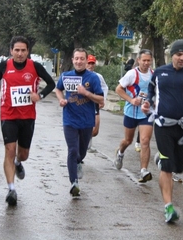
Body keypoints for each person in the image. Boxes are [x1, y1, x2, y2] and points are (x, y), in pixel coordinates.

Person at [141, 39, 183, 223]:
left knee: (178, 167)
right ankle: (168, 207)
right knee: (168, 166)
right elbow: (150, 93)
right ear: (172, 55)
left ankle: (162, 159)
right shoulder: (160, 72)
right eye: (179, 54)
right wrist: (147, 102)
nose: (182, 58)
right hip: (163, 125)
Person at [0, 36, 55, 206]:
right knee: (9, 149)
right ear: (11, 51)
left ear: (28, 51)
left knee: (23, 154)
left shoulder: (35, 67)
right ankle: (11, 189)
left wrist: (40, 95)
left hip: (27, 116)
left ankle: (18, 162)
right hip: (8, 114)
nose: (20, 53)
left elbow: (51, 84)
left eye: (23, 50)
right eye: (17, 50)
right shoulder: (4, 66)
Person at [55, 48, 104, 197]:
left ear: (85, 60)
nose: (79, 61)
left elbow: (101, 100)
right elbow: (58, 89)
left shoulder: (93, 78)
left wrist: (86, 93)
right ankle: (74, 183)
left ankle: (78, 163)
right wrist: (61, 99)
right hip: (70, 119)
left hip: (87, 121)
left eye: (82, 59)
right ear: (72, 60)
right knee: (72, 150)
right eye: (76, 59)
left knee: (81, 153)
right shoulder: (66, 76)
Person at [114, 49, 154, 183]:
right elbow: (118, 89)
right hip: (131, 112)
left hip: (146, 114)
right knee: (128, 141)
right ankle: (120, 153)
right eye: (144, 60)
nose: (146, 63)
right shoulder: (132, 74)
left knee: (144, 141)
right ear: (138, 60)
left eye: (149, 60)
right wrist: (131, 100)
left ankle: (143, 171)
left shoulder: (154, 75)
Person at [85, 54, 108, 152]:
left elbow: (105, 87)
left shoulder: (98, 76)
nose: (90, 65)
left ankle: (87, 138)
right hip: (82, 103)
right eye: (89, 63)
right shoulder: (80, 75)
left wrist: (103, 100)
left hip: (94, 103)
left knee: (95, 131)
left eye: (92, 63)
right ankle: (82, 144)